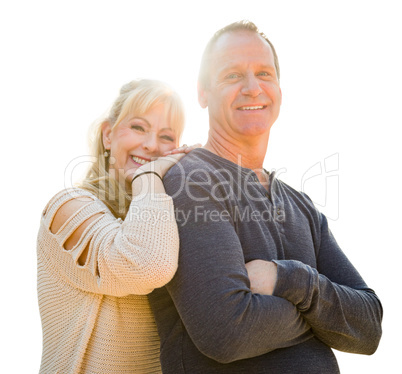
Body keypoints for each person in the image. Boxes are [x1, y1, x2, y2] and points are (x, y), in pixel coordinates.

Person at [148, 21, 383, 373]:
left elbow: (368, 327)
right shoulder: (191, 182)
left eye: (264, 73)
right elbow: (227, 331)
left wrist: (287, 280)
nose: (253, 88)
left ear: (279, 88)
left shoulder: (301, 206)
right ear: (202, 92)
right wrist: (325, 322)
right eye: (232, 76)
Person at [37, 79, 197, 373]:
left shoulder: (164, 221)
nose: (151, 145)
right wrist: (149, 177)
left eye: (166, 136)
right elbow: (147, 265)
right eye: (138, 127)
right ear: (108, 135)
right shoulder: (68, 207)